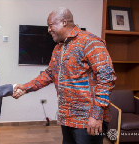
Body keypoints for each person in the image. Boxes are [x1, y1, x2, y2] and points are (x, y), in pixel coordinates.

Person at [14, 7, 117, 144]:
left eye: (51, 25)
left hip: (88, 119)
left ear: (63, 22)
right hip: (67, 117)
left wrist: (97, 115)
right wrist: (26, 87)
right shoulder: (58, 48)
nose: (49, 30)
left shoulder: (90, 42)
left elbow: (107, 78)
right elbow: (50, 74)